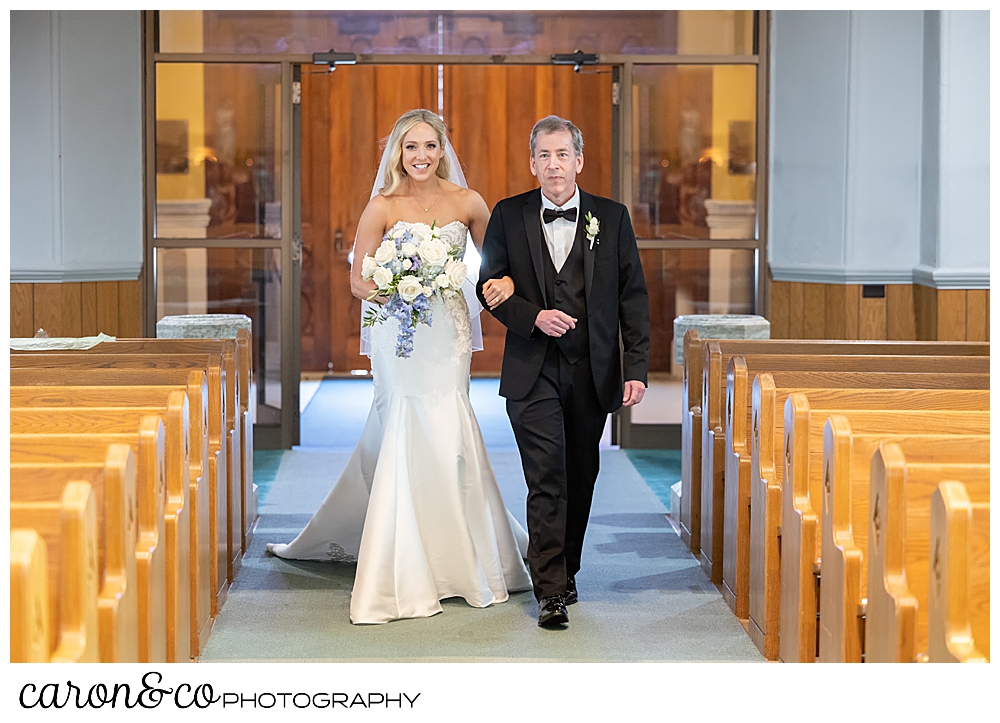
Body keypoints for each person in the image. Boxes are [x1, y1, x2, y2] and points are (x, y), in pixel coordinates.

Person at [267, 109, 532, 624]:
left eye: (430, 146)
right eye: (411, 147)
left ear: (443, 149)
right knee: (404, 421)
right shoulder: (381, 207)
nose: (421, 156)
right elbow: (358, 280)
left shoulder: (469, 203)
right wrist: (391, 288)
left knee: (447, 420)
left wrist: (503, 285)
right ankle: (401, 556)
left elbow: (500, 265)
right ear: (397, 153)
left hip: (447, 330)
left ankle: (458, 553)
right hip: (398, 332)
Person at [476, 115, 650, 628]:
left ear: (578, 161)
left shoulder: (612, 218)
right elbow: (489, 285)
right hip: (531, 372)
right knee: (546, 477)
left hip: (593, 371)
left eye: (561, 155)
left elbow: (633, 299)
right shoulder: (508, 216)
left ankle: (567, 568)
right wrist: (532, 316)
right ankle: (549, 589)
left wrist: (635, 367)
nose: (553, 165)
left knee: (581, 475)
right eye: (543, 156)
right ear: (532, 164)